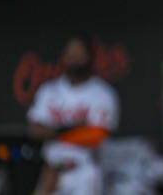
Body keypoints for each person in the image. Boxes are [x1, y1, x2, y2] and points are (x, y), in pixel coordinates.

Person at [27, 36, 120, 195]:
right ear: (63, 57)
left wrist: (54, 132)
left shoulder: (102, 93)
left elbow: (96, 135)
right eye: (71, 54)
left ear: (90, 58)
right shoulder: (48, 90)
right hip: (51, 171)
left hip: (84, 172)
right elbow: (34, 130)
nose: (74, 59)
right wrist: (76, 129)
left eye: (79, 54)